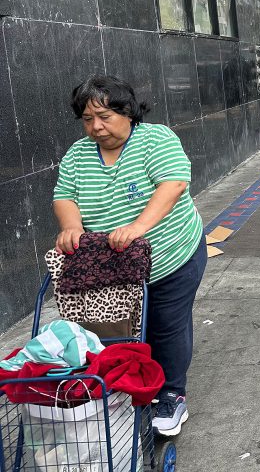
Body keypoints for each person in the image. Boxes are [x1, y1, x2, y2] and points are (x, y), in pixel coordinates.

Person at [53, 75, 205, 437]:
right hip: (113, 269)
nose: (96, 126)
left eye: (104, 116)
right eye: (88, 119)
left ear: (128, 111)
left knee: (166, 326)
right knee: (123, 332)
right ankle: (133, 388)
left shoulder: (155, 139)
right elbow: (65, 195)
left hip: (172, 256)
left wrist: (138, 227)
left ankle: (171, 394)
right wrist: (71, 226)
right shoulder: (77, 155)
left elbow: (174, 184)